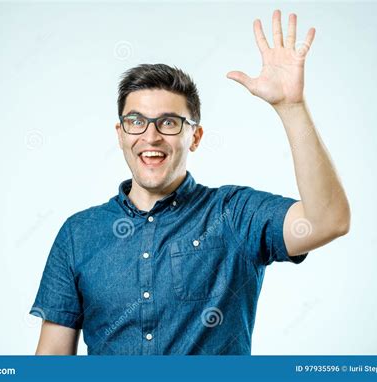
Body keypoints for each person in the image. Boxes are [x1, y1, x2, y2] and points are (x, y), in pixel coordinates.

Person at [29, 9, 350, 355]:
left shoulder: (234, 214)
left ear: (194, 137)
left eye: (168, 123)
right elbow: (51, 363)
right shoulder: (78, 234)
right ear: (120, 134)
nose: (150, 136)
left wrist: (291, 107)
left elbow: (328, 220)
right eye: (136, 121)